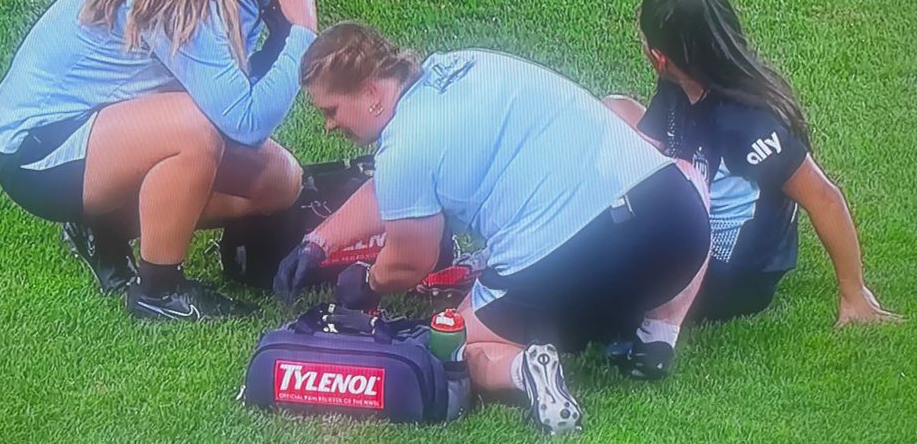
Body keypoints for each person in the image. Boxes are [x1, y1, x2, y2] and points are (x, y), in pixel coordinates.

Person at [273, 22, 710, 435]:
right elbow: (392, 188)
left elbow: (412, 259)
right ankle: (657, 336)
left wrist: (367, 282)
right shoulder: (460, 63)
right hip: (679, 227)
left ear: (370, 92)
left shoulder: (405, 145)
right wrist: (319, 242)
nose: (330, 125)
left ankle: (527, 372)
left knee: (449, 342)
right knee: (687, 176)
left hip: (585, 264)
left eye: (331, 110)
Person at [0, 0, 321, 321]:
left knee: (280, 180)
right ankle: (158, 291)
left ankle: (102, 226)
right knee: (196, 131)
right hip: (37, 147)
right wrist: (299, 38)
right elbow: (242, 123)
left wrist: (279, 36)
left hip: (106, 125)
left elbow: (236, 95)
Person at [603, 0, 902, 333]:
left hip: (732, 280)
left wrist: (853, 293)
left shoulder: (746, 123)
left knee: (601, 261)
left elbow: (824, 197)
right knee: (613, 110)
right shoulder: (678, 84)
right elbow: (653, 144)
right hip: (694, 214)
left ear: (660, 57)